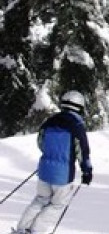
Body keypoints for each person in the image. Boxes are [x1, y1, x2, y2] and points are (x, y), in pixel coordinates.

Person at [14, 91, 93, 234]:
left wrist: (51, 155)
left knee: (40, 199)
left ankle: (21, 229)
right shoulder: (77, 125)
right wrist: (86, 171)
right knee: (57, 204)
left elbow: (41, 143)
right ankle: (36, 231)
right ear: (80, 106)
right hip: (63, 175)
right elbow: (82, 150)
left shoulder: (50, 121)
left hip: (45, 170)